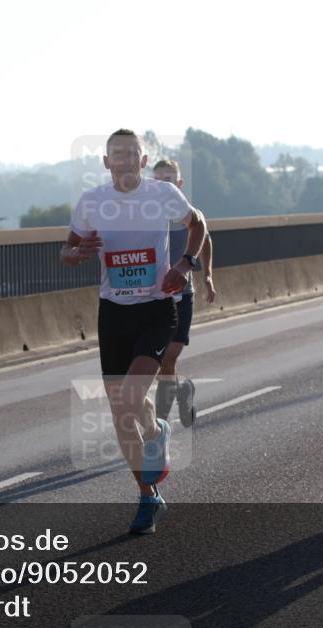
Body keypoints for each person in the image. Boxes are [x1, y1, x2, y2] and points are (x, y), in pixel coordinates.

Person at [62, 129, 205, 535]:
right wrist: (76, 253)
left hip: (156, 310)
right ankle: (148, 493)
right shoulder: (92, 202)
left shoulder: (162, 194)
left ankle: (154, 446)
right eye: (117, 154)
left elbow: (198, 224)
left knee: (128, 398)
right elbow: (67, 251)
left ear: (143, 161)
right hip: (113, 314)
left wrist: (185, 264)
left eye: (132, 153)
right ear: (106, 162)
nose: (124, 159)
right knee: (121, 410)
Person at [150, 159, 217, 427]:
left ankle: (160, 425)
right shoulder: (146, 215)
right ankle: (182, 389)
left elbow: (206, 240)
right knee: (159, 362)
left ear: (179, 184)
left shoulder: (189, 215)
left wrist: (208, 275)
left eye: (169, 180)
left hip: (182, 296)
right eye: (158, 180)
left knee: (169, 357)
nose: (163, 185)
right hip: (154, 298)